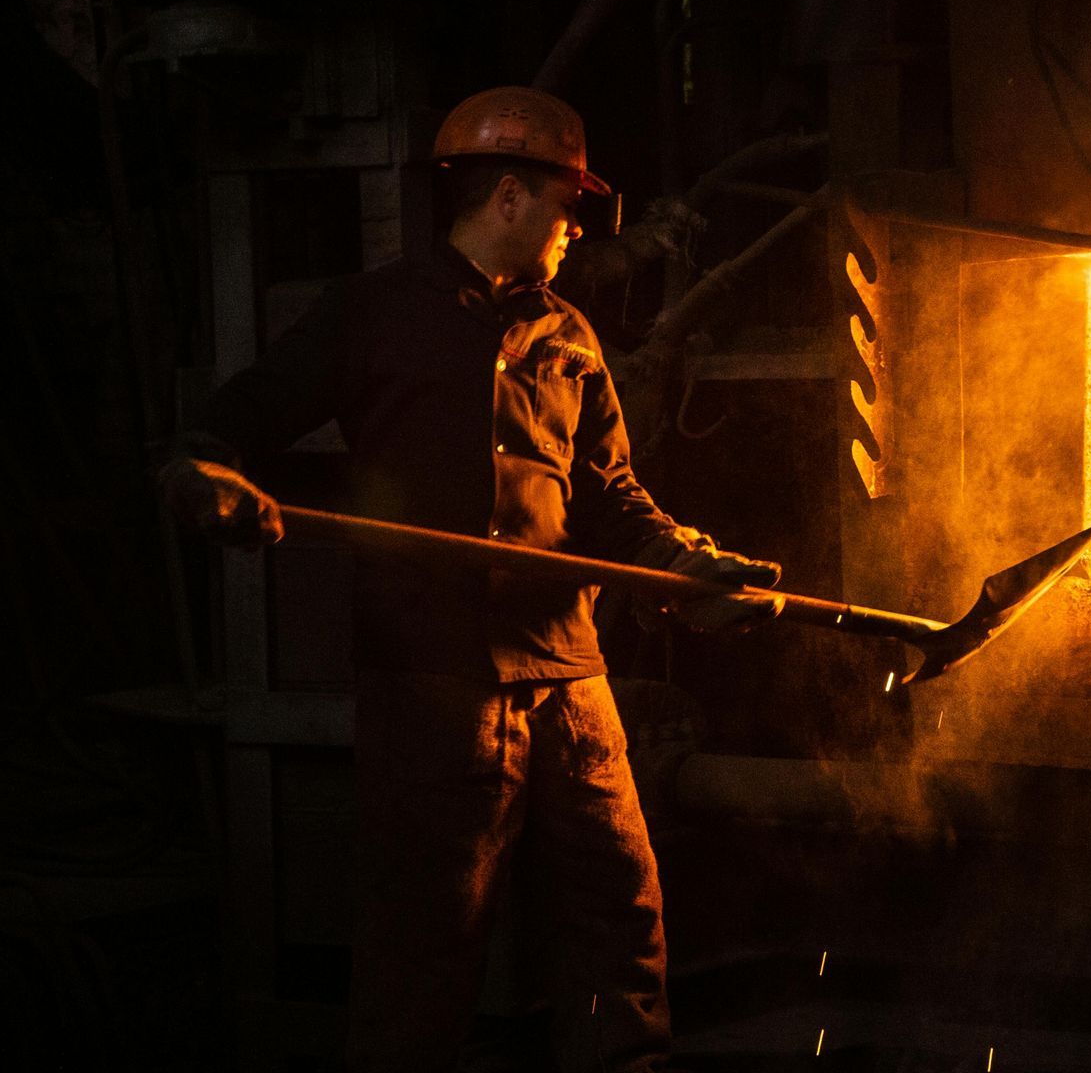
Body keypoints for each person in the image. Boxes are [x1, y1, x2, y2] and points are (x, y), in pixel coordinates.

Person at [159, 86, 780, 1072]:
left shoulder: (571, 338)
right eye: (568, 206)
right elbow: (235, 421)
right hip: (434, 682)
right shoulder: (372, 316)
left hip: (571, 679)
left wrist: (689, 564)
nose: (577, 230)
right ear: (510, 198)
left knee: (621, 919)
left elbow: (612, 496)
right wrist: (206, 477)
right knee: (425, 944)